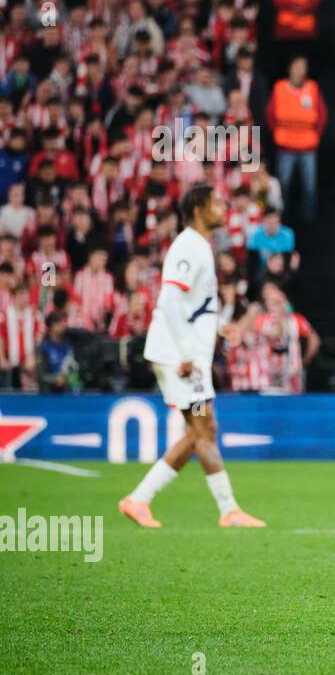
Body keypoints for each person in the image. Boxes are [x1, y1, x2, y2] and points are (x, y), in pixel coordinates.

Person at [118, 184, 265, 529]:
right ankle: (228, 510)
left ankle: (138, 500)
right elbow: (169, 300)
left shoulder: (200, 246)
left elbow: (192, 307)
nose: (223, 208)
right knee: (205, 427)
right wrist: (186, 353)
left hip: (185, 356)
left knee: (197, 431)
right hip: (178, 358)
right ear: (198, 208)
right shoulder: (188, 246)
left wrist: (218, 329)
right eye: (217, 202)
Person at [265, 56, 326, 222]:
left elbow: (322, 115)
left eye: (304, 67)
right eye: (298, 67)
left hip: (307, 147)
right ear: (290, 68)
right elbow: (270, 115)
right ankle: (282, 218)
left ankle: (308, 221)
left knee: (309, 187)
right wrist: (277, 134)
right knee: (283, 185)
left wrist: (316, 136)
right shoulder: (279, 88)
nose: (301, 71)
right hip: (286, 146)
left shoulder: (313, 88)